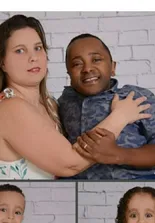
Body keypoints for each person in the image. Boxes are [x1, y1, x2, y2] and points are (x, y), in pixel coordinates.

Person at [0, 15, 150, 180]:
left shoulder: (51, 105)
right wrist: (120, 117)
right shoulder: (9, 107)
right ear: (3, 62)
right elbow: (70, 163)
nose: (33, 57)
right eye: (20, 50)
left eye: (38, 48)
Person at [58, 33, 155, 180]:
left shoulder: (134, 97)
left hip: (133, 180)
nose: (87, 68)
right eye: (77, 64)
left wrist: (118, 154)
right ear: (69, 74)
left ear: (113, 67)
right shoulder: (63, 103)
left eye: (96, 60)